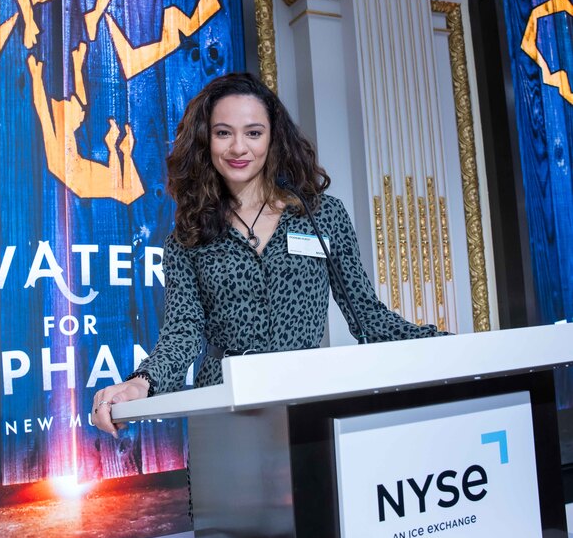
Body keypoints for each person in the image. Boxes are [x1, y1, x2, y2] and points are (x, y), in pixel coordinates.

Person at [92, 72, 445, 436]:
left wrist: (442, 347)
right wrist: (142, 382)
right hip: (223, 402)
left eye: (254, 133)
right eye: (223, 132)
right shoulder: (188, 237)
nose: (238, 148)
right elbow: (183, 333)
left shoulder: (322, 215)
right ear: (205, 140)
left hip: (306, 395)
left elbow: (368, 317)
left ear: (273, 138)